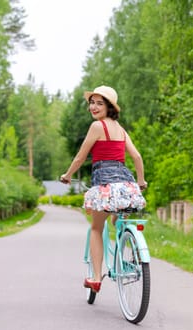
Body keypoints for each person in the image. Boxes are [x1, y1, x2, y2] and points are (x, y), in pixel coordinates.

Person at [60, 85, 147, 293]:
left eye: (100, 103)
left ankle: (97, 278)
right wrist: (141, 181)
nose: (94, 107)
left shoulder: (97, 127)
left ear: (110, 107)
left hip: (105, 185)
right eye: (92, 102)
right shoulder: (121, 130)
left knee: (97, 228)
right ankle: (125, 244)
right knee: (117, 216)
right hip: (126, 185)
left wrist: (68, 175)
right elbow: (136, 157)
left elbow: (81, 156)